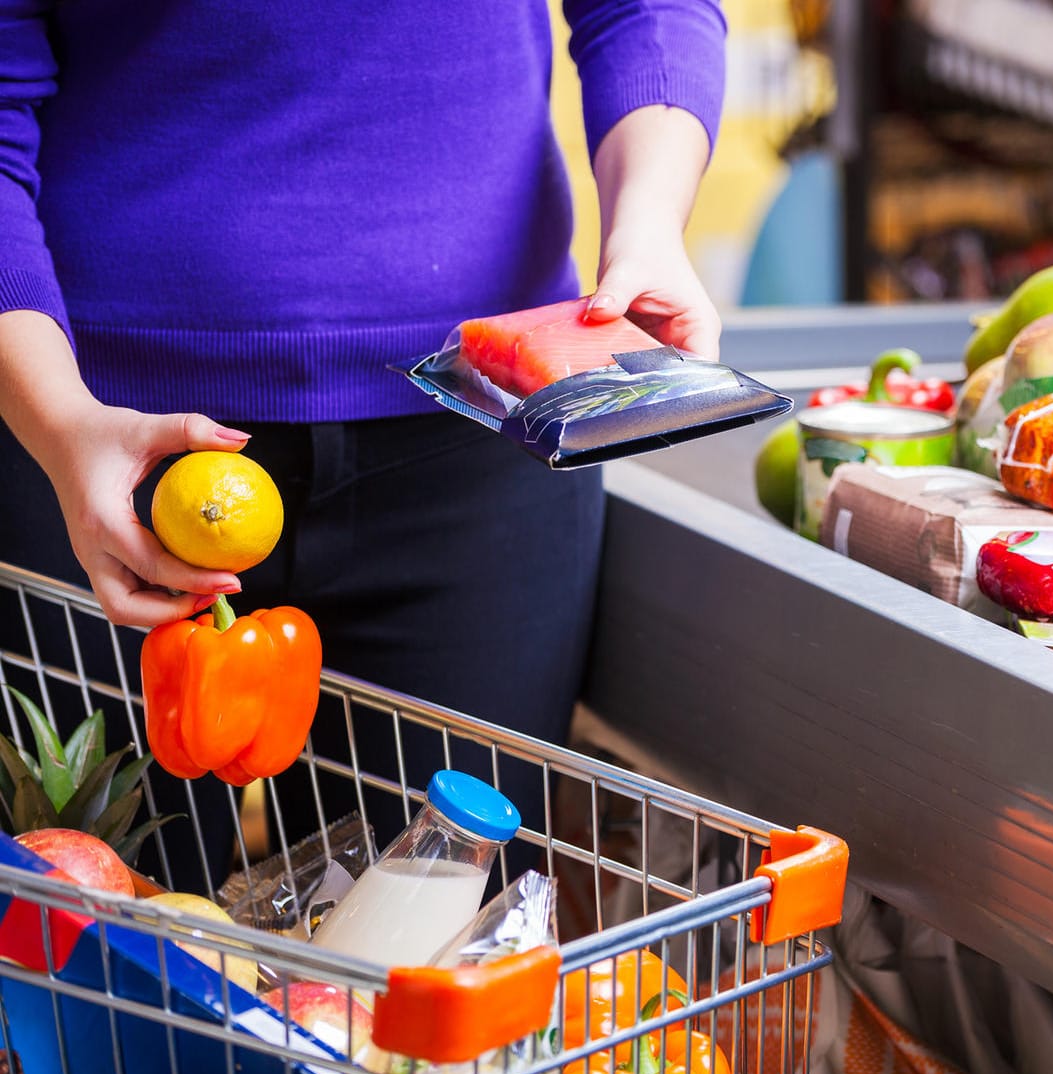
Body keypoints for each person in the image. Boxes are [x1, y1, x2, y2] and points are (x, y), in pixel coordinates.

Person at [0, 1, 726, 893]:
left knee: (440, 967)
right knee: (92, 981)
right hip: (95, 443)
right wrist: (58, 420)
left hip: (480, 435)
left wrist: (648, 224)